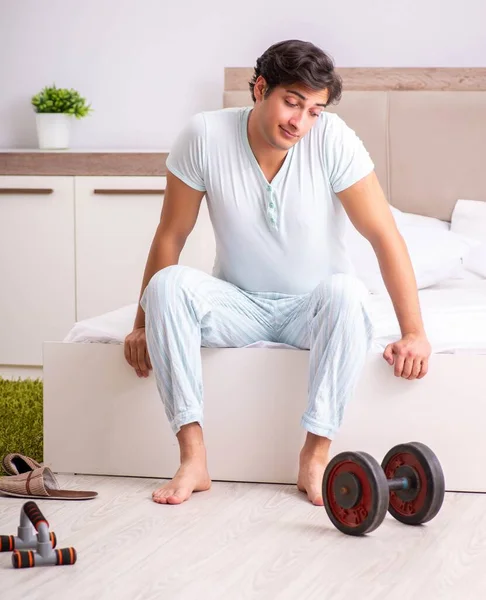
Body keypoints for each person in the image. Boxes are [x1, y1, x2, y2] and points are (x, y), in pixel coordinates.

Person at [124, 39, 432, 507]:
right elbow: (171, 235)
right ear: (260, 88)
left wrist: (414, 332)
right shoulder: (203, 136)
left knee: (347, 292)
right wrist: (142, 325)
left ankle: (314, 456)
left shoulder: (333, 139)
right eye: (292, 103)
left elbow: (384, 236)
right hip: (238, 305)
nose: (300, 122)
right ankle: (193, 457)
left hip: (312, 311)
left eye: (314, 110)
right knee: (167, 287)